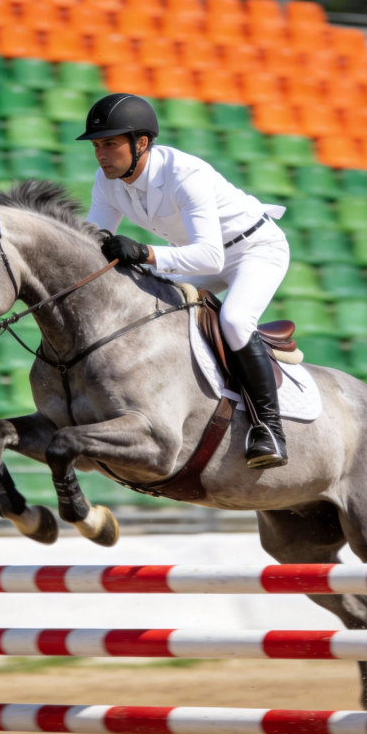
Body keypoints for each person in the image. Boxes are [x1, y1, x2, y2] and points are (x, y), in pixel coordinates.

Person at [79, 93, 291, 470]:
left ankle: (269, 427)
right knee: (145, 298)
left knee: (235, 320)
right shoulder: (106, 181)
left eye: (109, 144)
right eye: (97, 145)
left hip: (253, 249)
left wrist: (145, 253)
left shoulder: (183, 174)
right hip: (195, 254)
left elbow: (211, 257)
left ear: (140, 143)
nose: (100, 154)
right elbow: (96, 241)